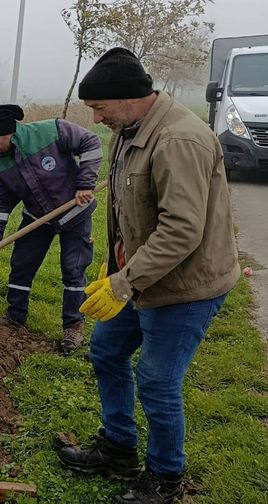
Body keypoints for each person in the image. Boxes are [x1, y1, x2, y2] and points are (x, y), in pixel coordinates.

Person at [57, 47, 239, 504]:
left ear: (127, 98)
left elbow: (182, 231)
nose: (96, 118)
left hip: (186, 286)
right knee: (106, 351)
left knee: (157, 380)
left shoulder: (178, 140)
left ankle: (165, 479)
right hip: (139, 276)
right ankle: (118, 449)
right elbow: (126, 205)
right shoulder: (130, 131)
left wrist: (124, 281)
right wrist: (115, 264)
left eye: (99, 107)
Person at [0, 104, 102, 354]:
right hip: (37, 218)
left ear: (9, 132)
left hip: (75, 212)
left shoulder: (52, 131)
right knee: (21, 265)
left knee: (73, 268)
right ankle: (15, 318)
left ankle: (73, 327)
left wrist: (85, 183)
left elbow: (91, 142)